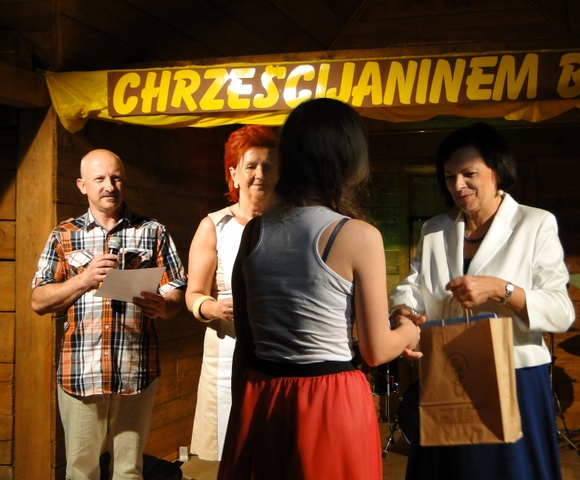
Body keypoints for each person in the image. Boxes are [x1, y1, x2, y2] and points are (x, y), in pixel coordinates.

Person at [217, 98, 422, 480]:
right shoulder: (358, 235)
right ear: (349, 159)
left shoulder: (254, 231)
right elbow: (376, 349)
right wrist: (408, 330)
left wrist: (242, 416)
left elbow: (246, 342)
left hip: (262, 392)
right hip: (330, 399)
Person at [388, 122, 575, 480]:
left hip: (514, 375)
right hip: (449, 371)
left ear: (498, 171)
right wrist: (403, 315)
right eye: (449, 177)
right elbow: (411, 287)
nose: (458, 185)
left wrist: (501, 289)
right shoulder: (435, 229)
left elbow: (561, 311)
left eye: (469, 173)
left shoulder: (534, 224)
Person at [31, 149, 187, 480]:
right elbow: (38, 300)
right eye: (99, 178)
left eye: (116, 178)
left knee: (129, 471)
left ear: (124, 182)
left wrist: (164, 305)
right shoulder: (64, 234)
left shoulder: (153, 231)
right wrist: (85, 279)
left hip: (136, 369)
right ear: (82, 185)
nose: (109, 186)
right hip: (81, 371)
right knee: (80, 471)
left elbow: (177, 290)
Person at [186, 124, 278, 461]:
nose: (260, 174)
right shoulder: (214, 226)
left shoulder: (290, 223)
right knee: (233, 451)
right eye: (251, 166)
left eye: (268, 166)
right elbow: (194, 294)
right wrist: (214, 308)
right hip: (228, 350)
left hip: (280, 351)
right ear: (234, 175)